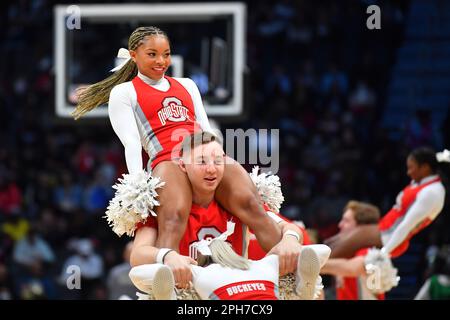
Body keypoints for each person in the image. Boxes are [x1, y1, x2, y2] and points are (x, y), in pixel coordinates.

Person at [73, 26, 285, 288]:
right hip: (167, 158)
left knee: (252, 204)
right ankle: (168, 289)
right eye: (152, 54)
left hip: (203, 151)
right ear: (133, 55)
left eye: (166, 54)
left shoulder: (187, 84)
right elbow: (130, 144)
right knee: (173, 219)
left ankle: (288, 274)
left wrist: (218, 157)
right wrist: (139, 187)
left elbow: (207, 129)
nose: (161, 61)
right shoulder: (124, 92)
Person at [126, 132, 331, 299]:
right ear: (183, 166)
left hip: (241, 290)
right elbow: (137, 255)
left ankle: (301, 290)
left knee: (311, 251)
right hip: (192, 295)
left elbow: (287, 226)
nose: (211, 169)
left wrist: (289, 239)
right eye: (202, 162)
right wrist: (167, 255)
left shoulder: (235, 202)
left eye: (218, 160)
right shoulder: (166, 208)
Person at [325, 147, 449, 259]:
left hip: (390, 238)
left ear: (425, 168)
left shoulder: (432, 192)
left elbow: (407, 225)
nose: (408, 172)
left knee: (333, 251)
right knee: (331, 242)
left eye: (411, 168)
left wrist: (384, 253)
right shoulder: (421, 181)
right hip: (383, 228)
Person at [320, 201, 389, 300]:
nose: (340, 225)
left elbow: (352, 268)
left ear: (361, 227)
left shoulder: (371, 253)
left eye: (346, 221)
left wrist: (312, 263)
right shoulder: (347, 255)